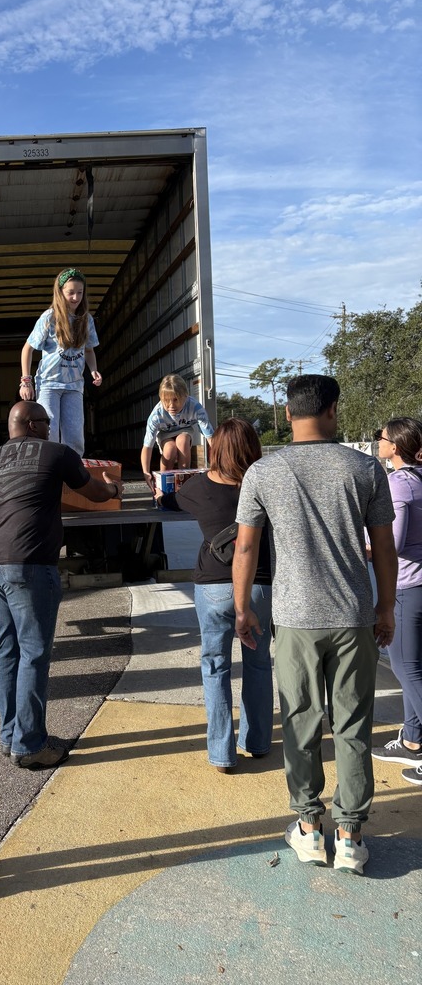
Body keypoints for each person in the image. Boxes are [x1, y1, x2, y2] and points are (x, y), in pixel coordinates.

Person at [233, 375, 397, 875]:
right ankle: (349, 834)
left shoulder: (264, 471)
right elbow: (384, 547)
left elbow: (245, 546)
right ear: (331, 411)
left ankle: (308, 827)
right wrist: (385, 606)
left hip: (295, 619)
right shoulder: (366, 468)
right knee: (352, 726)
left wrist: (242, 608)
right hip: (352, 616)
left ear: (287, 414)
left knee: (300, 723)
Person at [0, 400, 124, 769]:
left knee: (5, 651)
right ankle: (30, 745)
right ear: (33, 424)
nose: (51, 425)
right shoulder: (58, 453)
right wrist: (113, 489)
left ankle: (11, 736)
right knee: (34, 653)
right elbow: (92, 493)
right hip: (27, 563)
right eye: (47, 420)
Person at [167, 418, 273, 772]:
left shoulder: (197, 487)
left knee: (215, 666)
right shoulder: (264, 485)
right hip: (258, 583)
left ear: (215, 449)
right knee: (258, 664)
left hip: (212, 585)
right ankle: (257, 742)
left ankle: (222, 753)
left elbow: (172, 499)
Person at [369, 418, 422, 787]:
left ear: (396, 447)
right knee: (415, 667)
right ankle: (412, 740)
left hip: (408, 587)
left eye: (381, 438)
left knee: (406, 669)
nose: (377, 443)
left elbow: (395, 543)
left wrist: (359, 548)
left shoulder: (398, 483)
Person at [19, 267, 101, 456]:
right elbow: (27, 349)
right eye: (70, 292)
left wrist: (93, 369)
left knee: (75, 434)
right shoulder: (50, 318)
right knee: (50, 430)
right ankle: (51, 471)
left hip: (74, 385)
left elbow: (89, 350)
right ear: (60, 292)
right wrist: (26, 380)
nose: (75, 298)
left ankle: (73, 474)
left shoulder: (86, 319)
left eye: (80, 293)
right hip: (49, 384)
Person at [141, 374, 214, 500]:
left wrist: (219, 464)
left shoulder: (195, 408)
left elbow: (211, 438)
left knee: (183, 441)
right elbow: (147, 446)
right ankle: (163, 487)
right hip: (165, 434)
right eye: (166, 401)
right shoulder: (156, 415)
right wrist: (146, 472)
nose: (171, 406)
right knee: (169, 449)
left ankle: (184, 485)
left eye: (175, 400)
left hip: (185, 430)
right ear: (160, 398)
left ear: (186, 396)